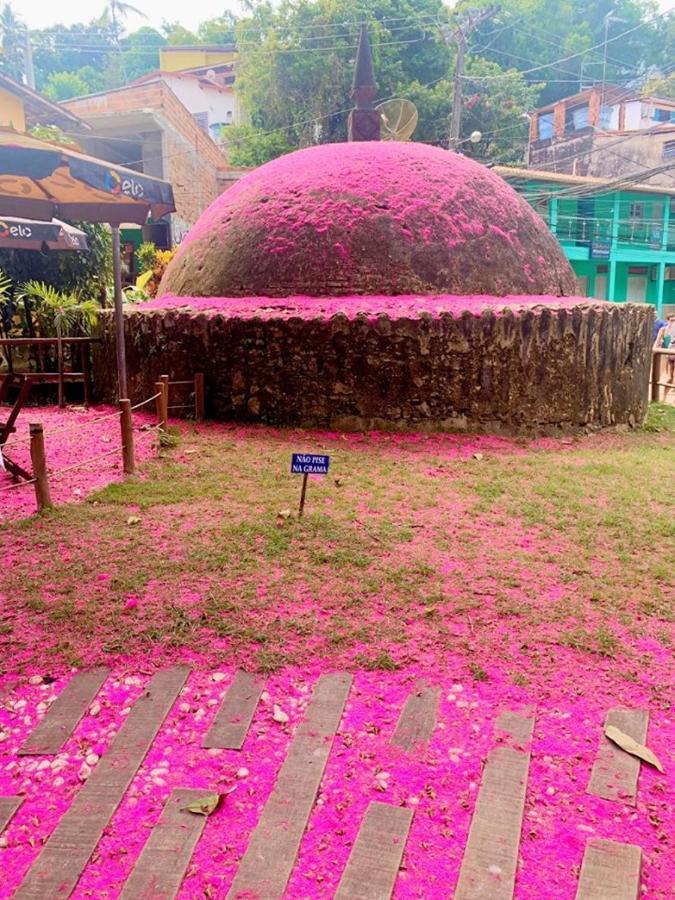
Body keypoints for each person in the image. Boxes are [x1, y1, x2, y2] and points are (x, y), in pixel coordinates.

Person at [653, 313, 675, 386]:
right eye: (671, 320)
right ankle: (670, 378)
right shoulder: (663, 330)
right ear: (667, 321)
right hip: (667, 352)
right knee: (669, 366)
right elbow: (657, 340)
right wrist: (654, 349)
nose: (673, 322)